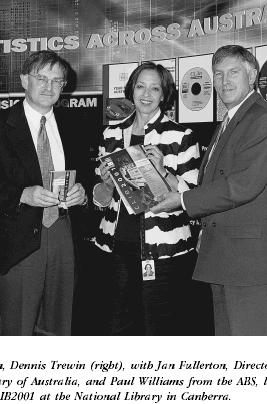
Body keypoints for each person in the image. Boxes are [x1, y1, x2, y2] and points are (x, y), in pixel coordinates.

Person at [151, 45, 267, 336]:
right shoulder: (232, 120)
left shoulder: (261, 120)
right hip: (227, 256)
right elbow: (215, 184)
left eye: (233, 72)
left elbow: (242, 186)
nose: (224, 81)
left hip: (251, 263)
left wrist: (181, 200)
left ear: (252, 75)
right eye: (218, 74)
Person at [0, 51, 87, 336]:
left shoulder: (74, 125)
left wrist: (84, 193)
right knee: (18, 332)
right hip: (16, 243)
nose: (48, 86)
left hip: (65, 236)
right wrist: (22, 194)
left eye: (57, 80)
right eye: (41, 78)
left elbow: (87, 180)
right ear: (23, 80)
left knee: (61, 330)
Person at [92, 61, 205, 336]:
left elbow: (193, 196)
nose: (146, 94)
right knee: (118, 328)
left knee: (159, 330)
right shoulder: (111, 134)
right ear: (131, 90)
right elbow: (101, 200)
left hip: (163, 251)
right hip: (117, 249)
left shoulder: (181, 136)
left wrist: (164, 171)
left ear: (164, 95)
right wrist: (106, 185)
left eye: (155, 88)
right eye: (141, 86)